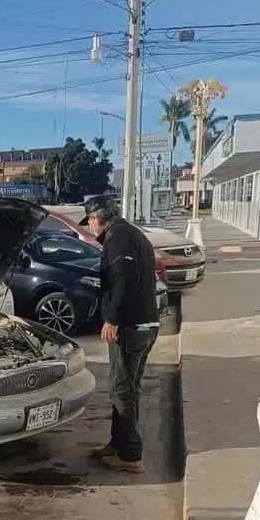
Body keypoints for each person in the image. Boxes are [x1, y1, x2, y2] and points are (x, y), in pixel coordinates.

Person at [83, 195, 160, 474]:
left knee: (121, 391)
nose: (90, 227)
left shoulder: (117, 236)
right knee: (129, 389)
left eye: (89, 220)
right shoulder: (133, 234)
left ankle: (129, 455)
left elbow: (124, 277)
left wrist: (112, 319)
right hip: (146, 325)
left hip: (129, 327)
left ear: (97, 218)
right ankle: (117, 444)